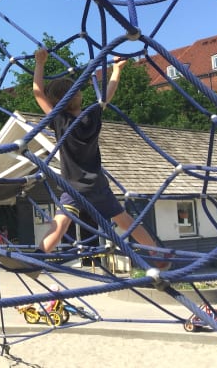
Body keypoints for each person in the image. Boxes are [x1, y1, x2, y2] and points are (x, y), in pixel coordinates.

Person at [32, 48, 170, 271]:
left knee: (60, 225)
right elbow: (107, 94)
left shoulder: (60, 120)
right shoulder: (92, 116)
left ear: (58, 102)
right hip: (97, 184)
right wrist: (117, 69)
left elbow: (38, 92)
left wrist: (40, 63)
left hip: (74, 186)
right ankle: (156, 251)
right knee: (125, 219)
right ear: (78, 96)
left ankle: (38, 259)